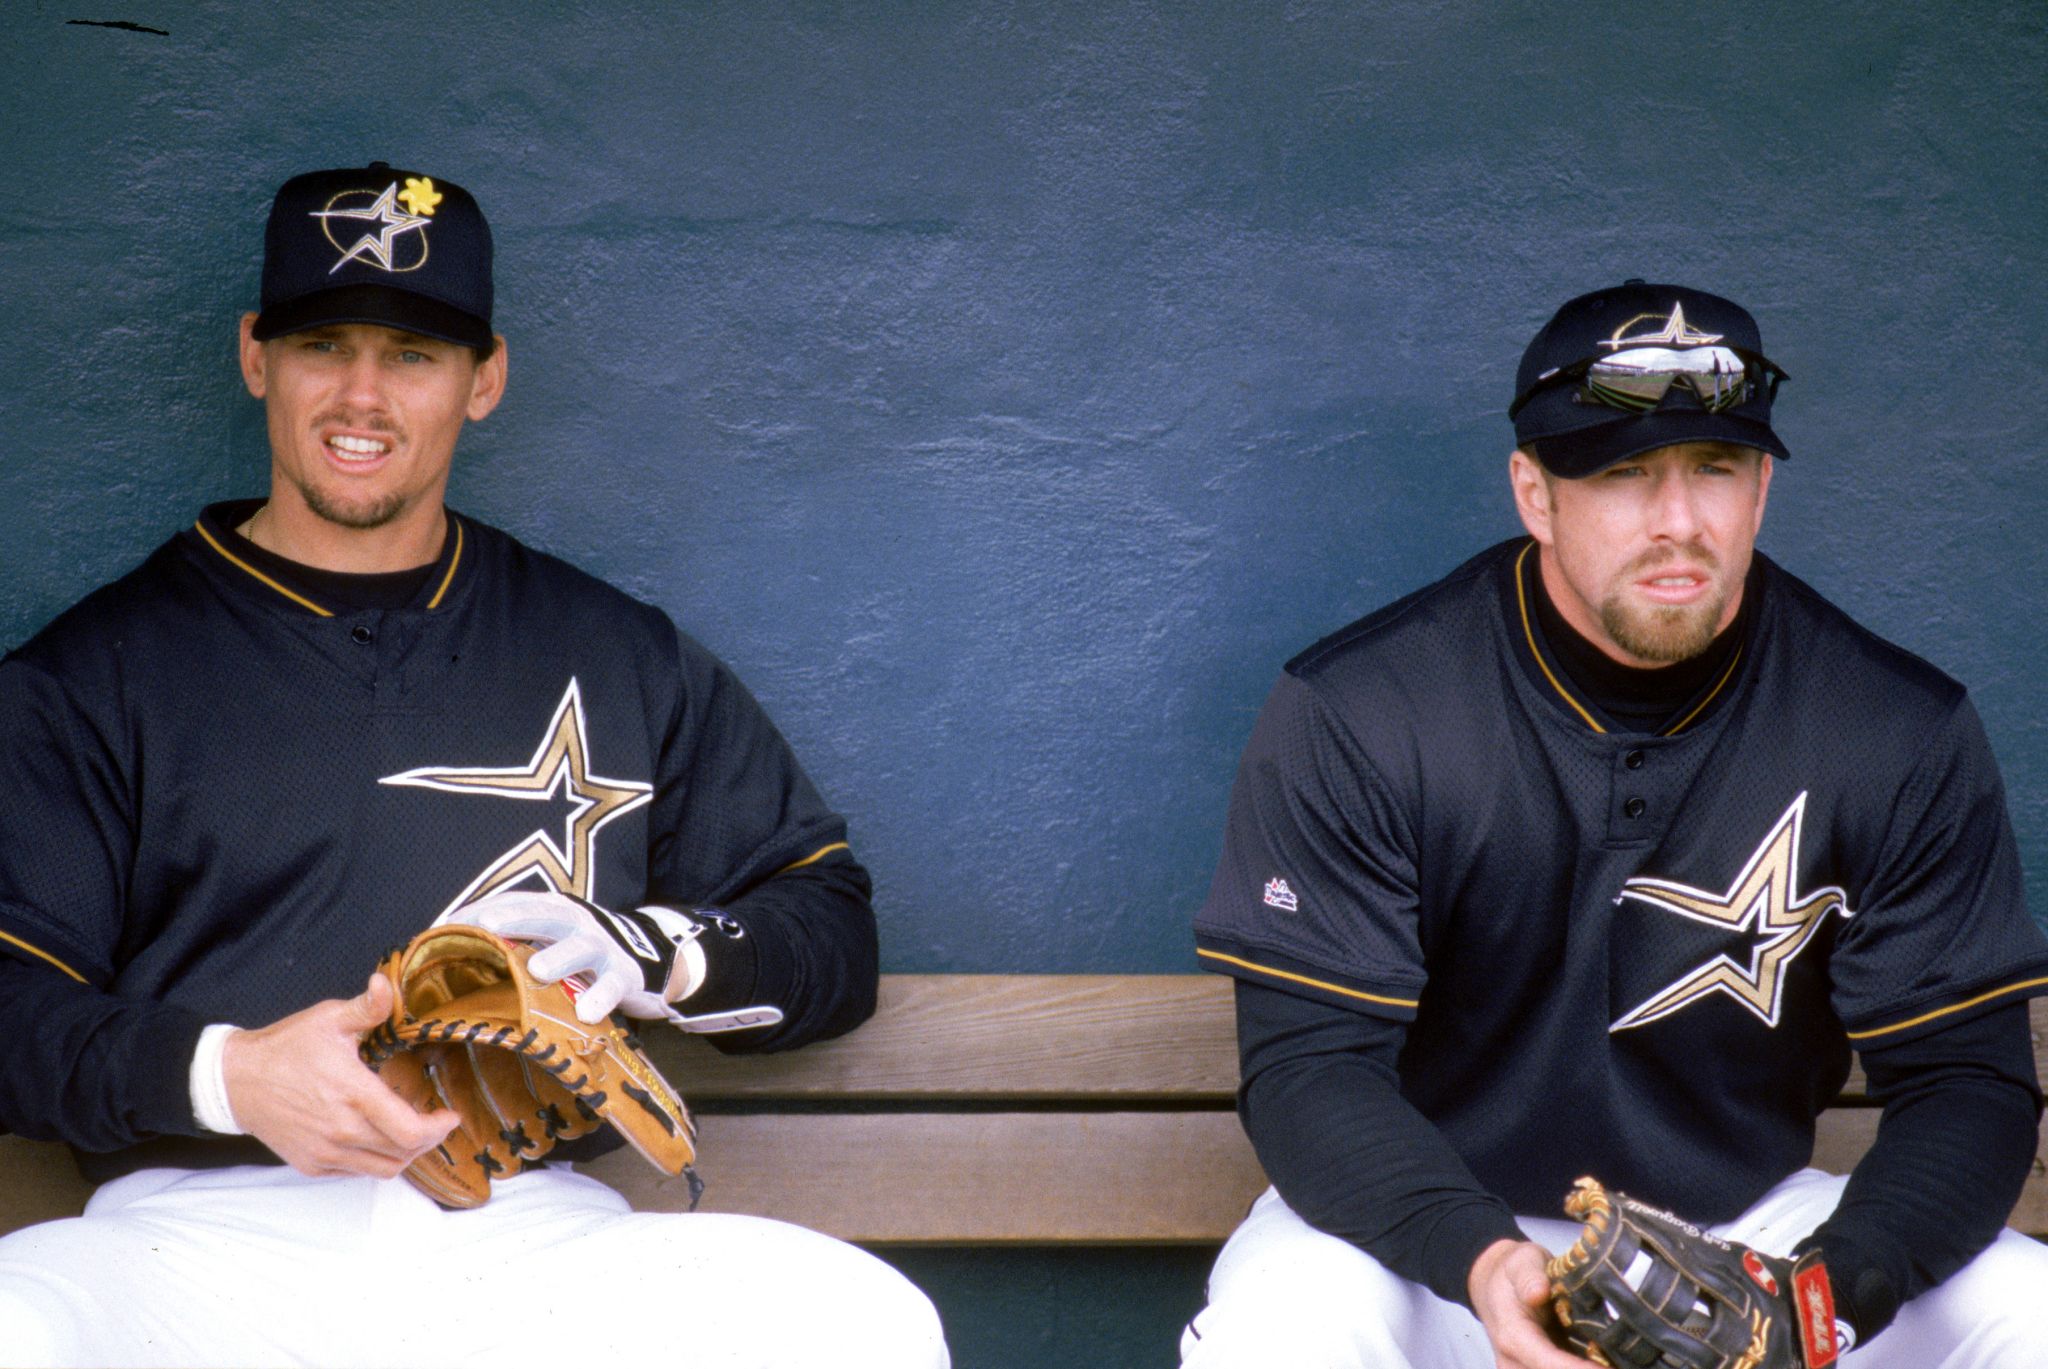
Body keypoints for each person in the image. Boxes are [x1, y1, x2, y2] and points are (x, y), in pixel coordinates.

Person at [0, 162, 948, 1368]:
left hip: (526, 1232)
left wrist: (656, 952)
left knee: (859, 1322)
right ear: (255, 356)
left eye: (413, 355)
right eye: (322, 344)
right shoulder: (95, 673)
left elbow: (828, 929)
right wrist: (227, 1075)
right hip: (196, 1229)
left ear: (483, 380)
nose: (361, 393)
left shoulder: (612, 651)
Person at [1183, 281, 2048, 1368]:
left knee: (2031, 1311)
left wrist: (1818, 1299)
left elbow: (1967, 1085)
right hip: (1435, 1245)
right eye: (1622, 474)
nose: (1676, 520)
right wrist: (1481, 1258)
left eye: (1713, 470)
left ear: (1760, 491)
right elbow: (1309, 1070)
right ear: (1533, 494)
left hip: (1750, 1238)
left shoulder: (1890, 728)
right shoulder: (1366, 710)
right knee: (1282, 1328)